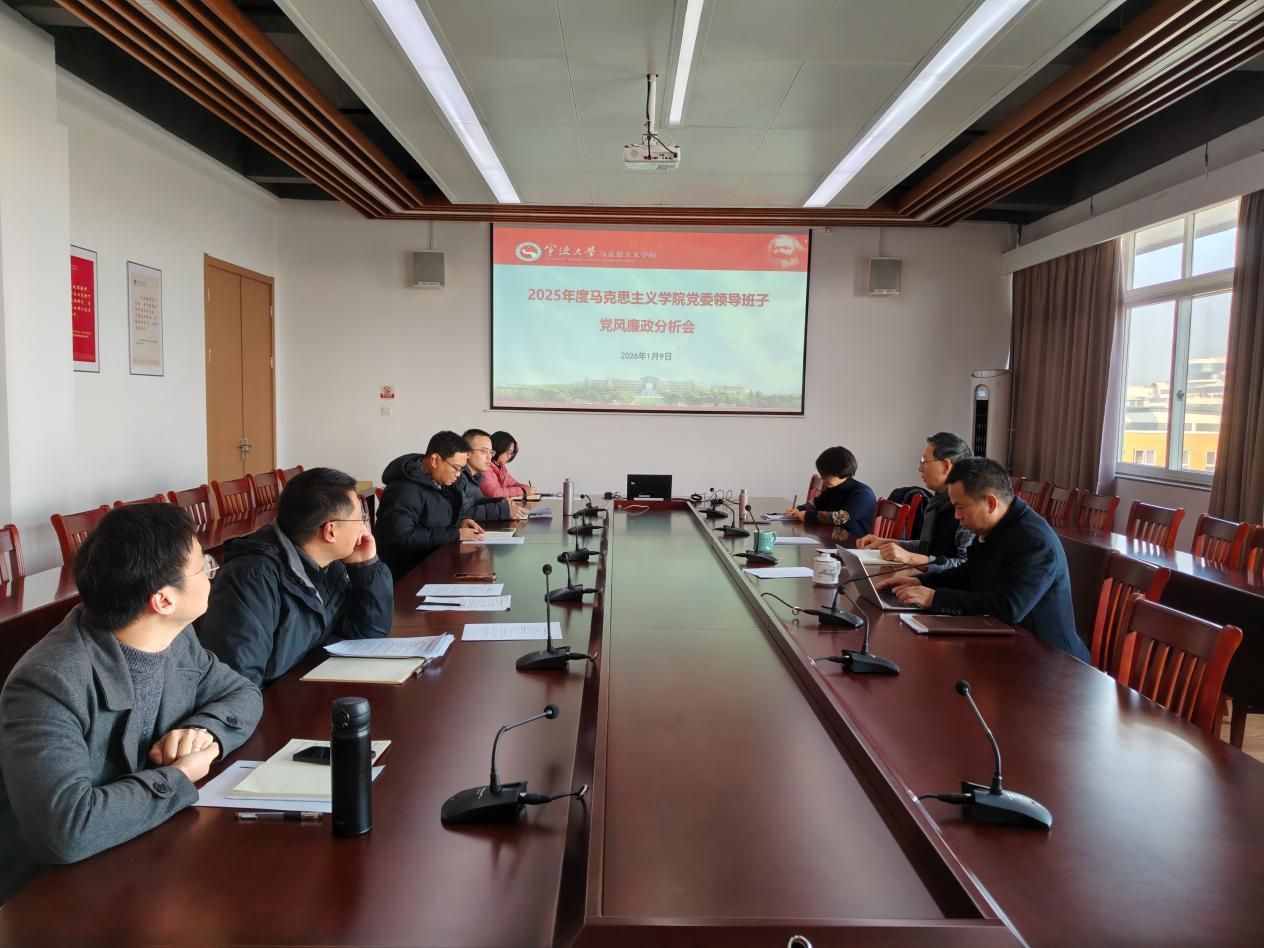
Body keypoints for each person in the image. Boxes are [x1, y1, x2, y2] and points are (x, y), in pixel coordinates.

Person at [0, 504, 262, 902]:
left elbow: (242, 693)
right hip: (55, 896)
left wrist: (204, 731)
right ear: (163, 600)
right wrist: (179, 775)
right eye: (203, 567)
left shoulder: (175, 638)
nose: (213, 573)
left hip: (146, 854)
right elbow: (66, 830)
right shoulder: (48, 681)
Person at [881, 457, 1091, 661]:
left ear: (990, 503)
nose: (956, 516)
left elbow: (1009, 607)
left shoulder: (1034, 541)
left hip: (1049, 660)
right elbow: (970, 573)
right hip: (1006, 645)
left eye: (960, 507)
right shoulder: (998, 524)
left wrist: (935, 598)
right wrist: (920, 582)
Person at [199, 467, 393, 686]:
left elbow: (367, 632)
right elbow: (237, 684)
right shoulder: (251, 579)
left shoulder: (329, 563)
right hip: (268, 701)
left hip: (302, 687)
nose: (364, 528)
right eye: (359, 519)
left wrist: (366, 566)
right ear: (330, 531)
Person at [375, 430, 486, 579]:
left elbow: (435, 517)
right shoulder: (403, 490)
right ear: (435, 460)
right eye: (456, 468)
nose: (458, 474)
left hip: (437, 561)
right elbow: (402, 536)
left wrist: (461, 521)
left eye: (462, 469)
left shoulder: (441, 480)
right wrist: (455, 534)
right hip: (409, 573)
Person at [857, 432, 974, 572]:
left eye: (924, 461)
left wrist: (910, 558)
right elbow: (930, 547)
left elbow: (965, 566)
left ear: (946, 465)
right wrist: (888, 543)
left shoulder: (969, 507)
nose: (920, 468)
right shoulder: (939, 501)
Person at [784, 446, 876, 538]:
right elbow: (817, 503)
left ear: (840, 471)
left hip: (853, 542)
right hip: (832, 538)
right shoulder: (833, 488)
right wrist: (799, 509)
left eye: (825, 474)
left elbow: (842, 517)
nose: (822, 478)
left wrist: (807, 516)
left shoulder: (863, 494)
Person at [461, 428, 526, 524]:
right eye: (484, 451)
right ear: (467, 452)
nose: (489, 456)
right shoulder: (458, 478)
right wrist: (503, 510)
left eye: (491, 452)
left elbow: (478, 501)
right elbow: (463, 514)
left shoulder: (475, 477)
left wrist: (501, 501)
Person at [479, 430, 535, 500]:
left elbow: (513, 483)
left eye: (511, 453)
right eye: (508, 452)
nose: (509, 456)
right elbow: (494, 493)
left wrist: (526, 488)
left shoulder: (501, 468)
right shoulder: (485, 468)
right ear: (498, 448)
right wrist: (523, 491)